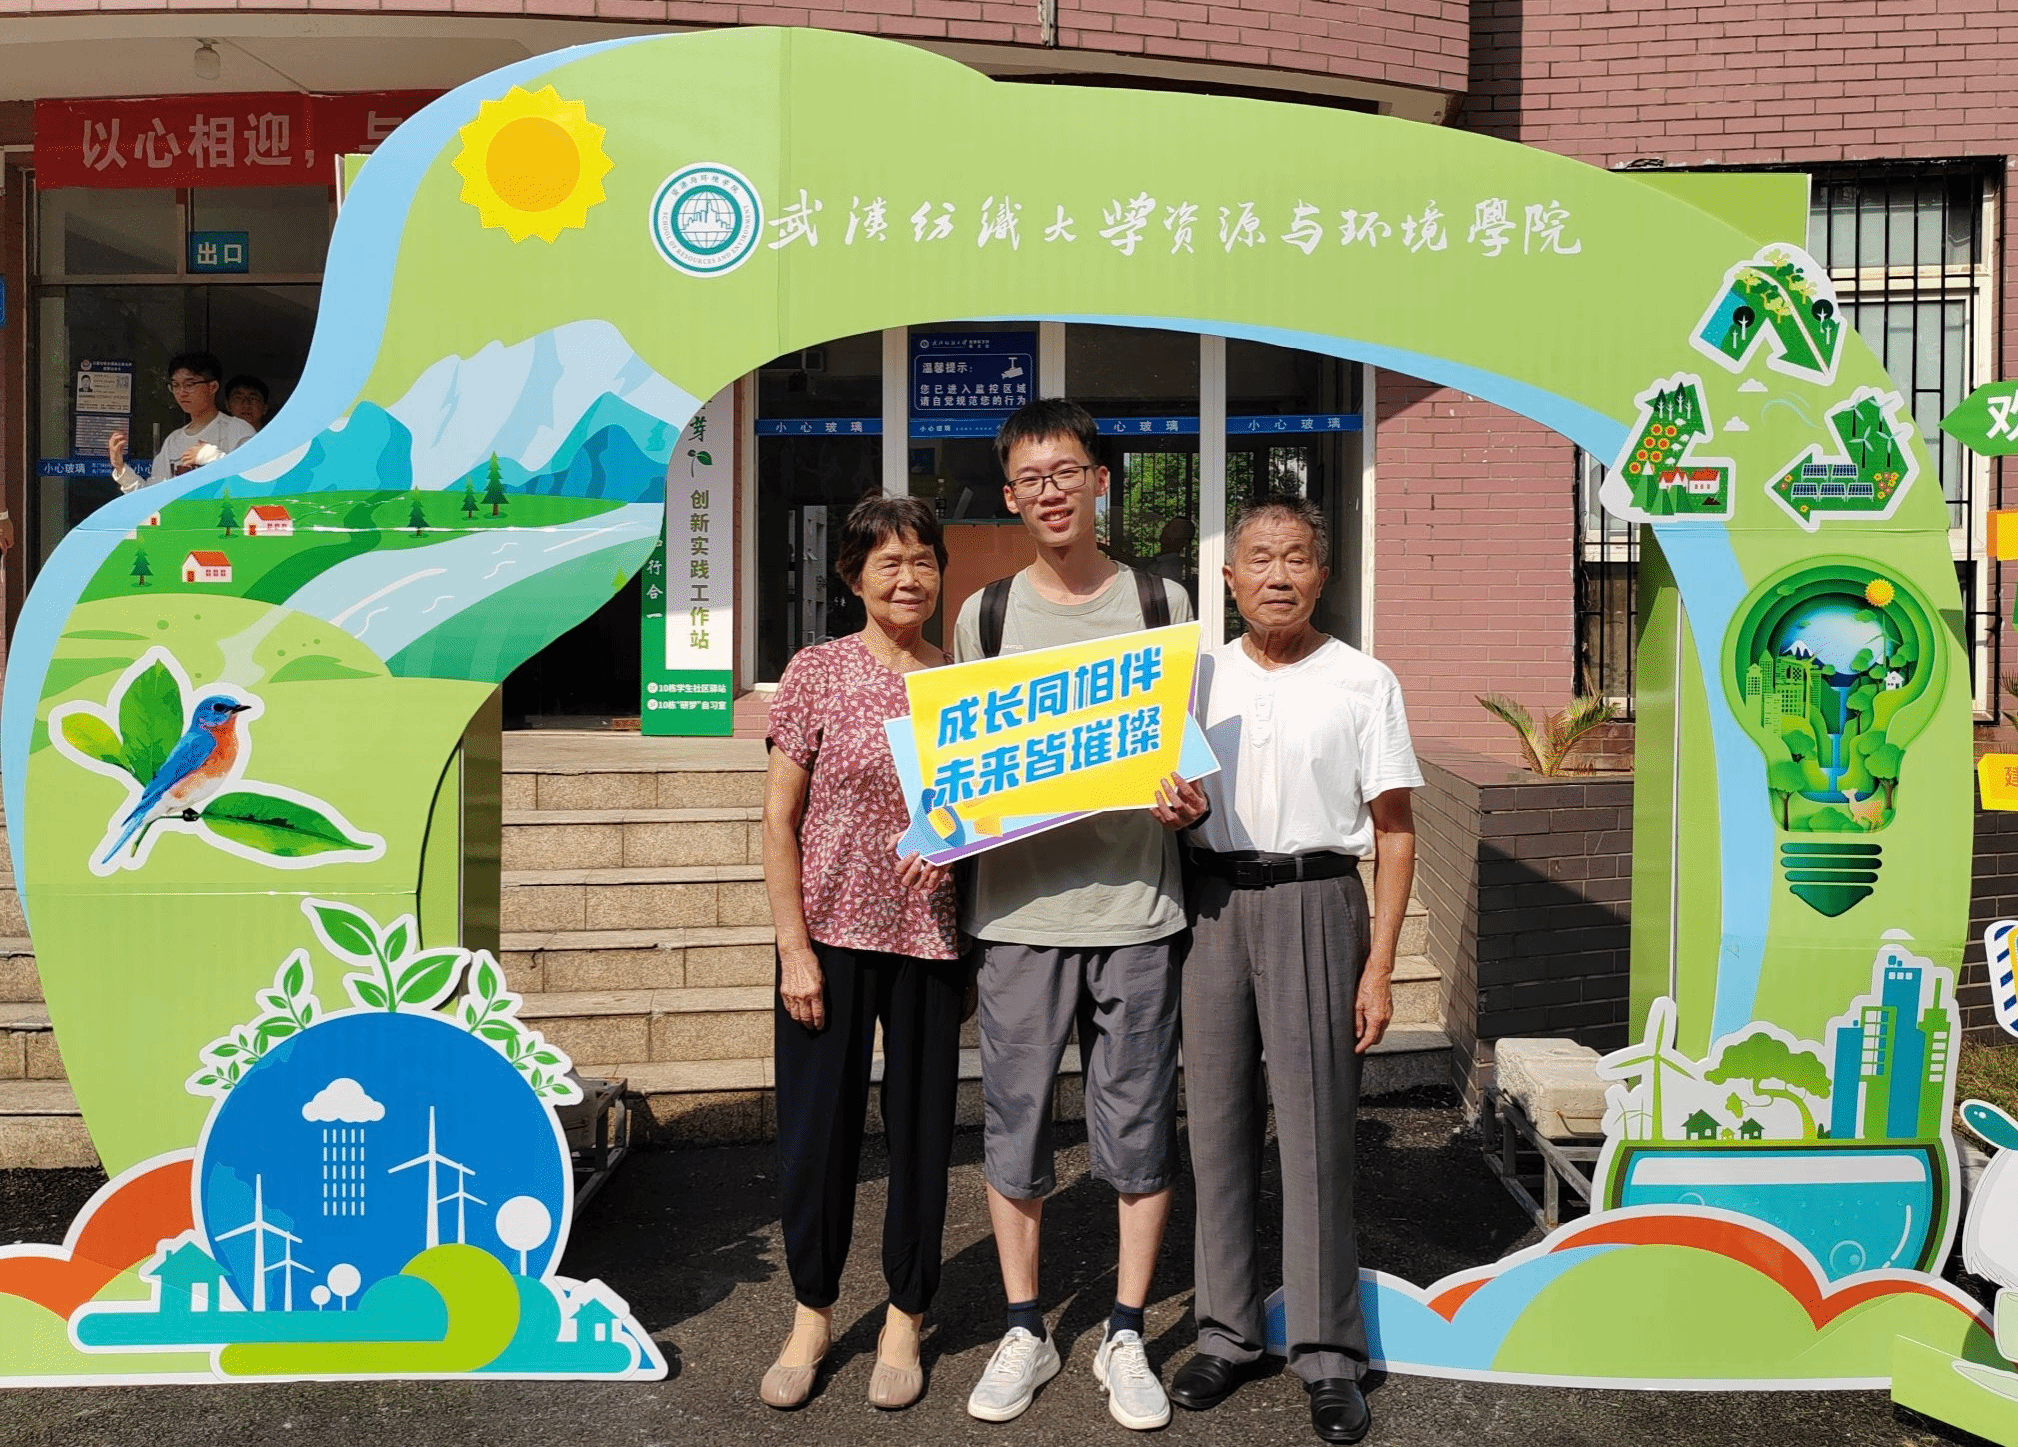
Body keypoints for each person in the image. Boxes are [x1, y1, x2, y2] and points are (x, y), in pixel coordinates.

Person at [956, 398, 1207, 1431]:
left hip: (1137, 909)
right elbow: (962, 768)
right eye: (1030, 478)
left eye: (1066, 471)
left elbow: (1188, 754)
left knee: (1139, 1129)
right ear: (1010, 495)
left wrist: (1187, 800)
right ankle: (1025, 1327)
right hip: (1017, 914)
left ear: (1100, 480)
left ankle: (1123, 1331)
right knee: (1014, 1126)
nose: (1050, 491)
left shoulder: (1161, 599)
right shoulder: (983, 616)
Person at [1171, 495, 1422, 1445]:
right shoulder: (1194, 680)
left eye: (1296, 557)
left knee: (1317, 1134)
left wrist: (1380, 965)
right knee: (1217, 1128)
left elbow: (1395, 831)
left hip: (1319, 902)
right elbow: (1163, 797)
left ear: (1323, 573)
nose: (1277, 574)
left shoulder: (1363, 680)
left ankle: (1327, 1351)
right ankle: (1227, 1332)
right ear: (1228, 577)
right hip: (1212, 905)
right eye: (1259, 557)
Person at [759, 494, 965, 1413]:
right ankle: (812, 1310)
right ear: (853, 576)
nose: (909, 577)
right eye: (889, 562)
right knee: (818, 1135)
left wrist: (960, 845)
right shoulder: (816, 671)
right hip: (829, 937)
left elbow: (986, 813)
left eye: (923, 560)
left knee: (921, 1134)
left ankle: (906, 1313)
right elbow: (779, 819)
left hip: (929, 939)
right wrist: (792, 949)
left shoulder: (962, 684)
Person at [108, 352, 255, 494]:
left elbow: (254, 483)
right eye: (176, 385)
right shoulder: (173, 441)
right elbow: (155, 496)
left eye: (189, 384)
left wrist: (210, 456)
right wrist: (121, 468)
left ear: (213, 387)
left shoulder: (238, 430)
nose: (181, 392)